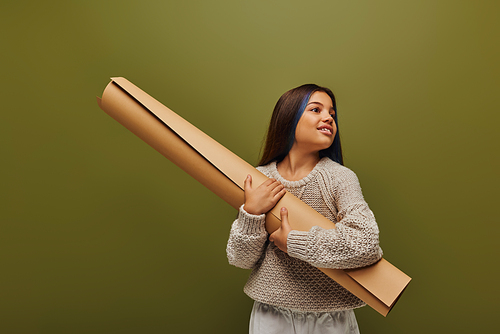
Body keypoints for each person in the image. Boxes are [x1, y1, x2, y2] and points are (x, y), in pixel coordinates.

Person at [226, 84, 383, 334]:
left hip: (331, 318)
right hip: (270, 315)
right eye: (316, 109)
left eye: (332, 113)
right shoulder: (259, 178)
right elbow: (240, 259)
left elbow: (366, 243)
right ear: (289, 118)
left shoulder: (340, 178)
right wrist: (251, 213)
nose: (328, 117)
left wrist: (295, 242)